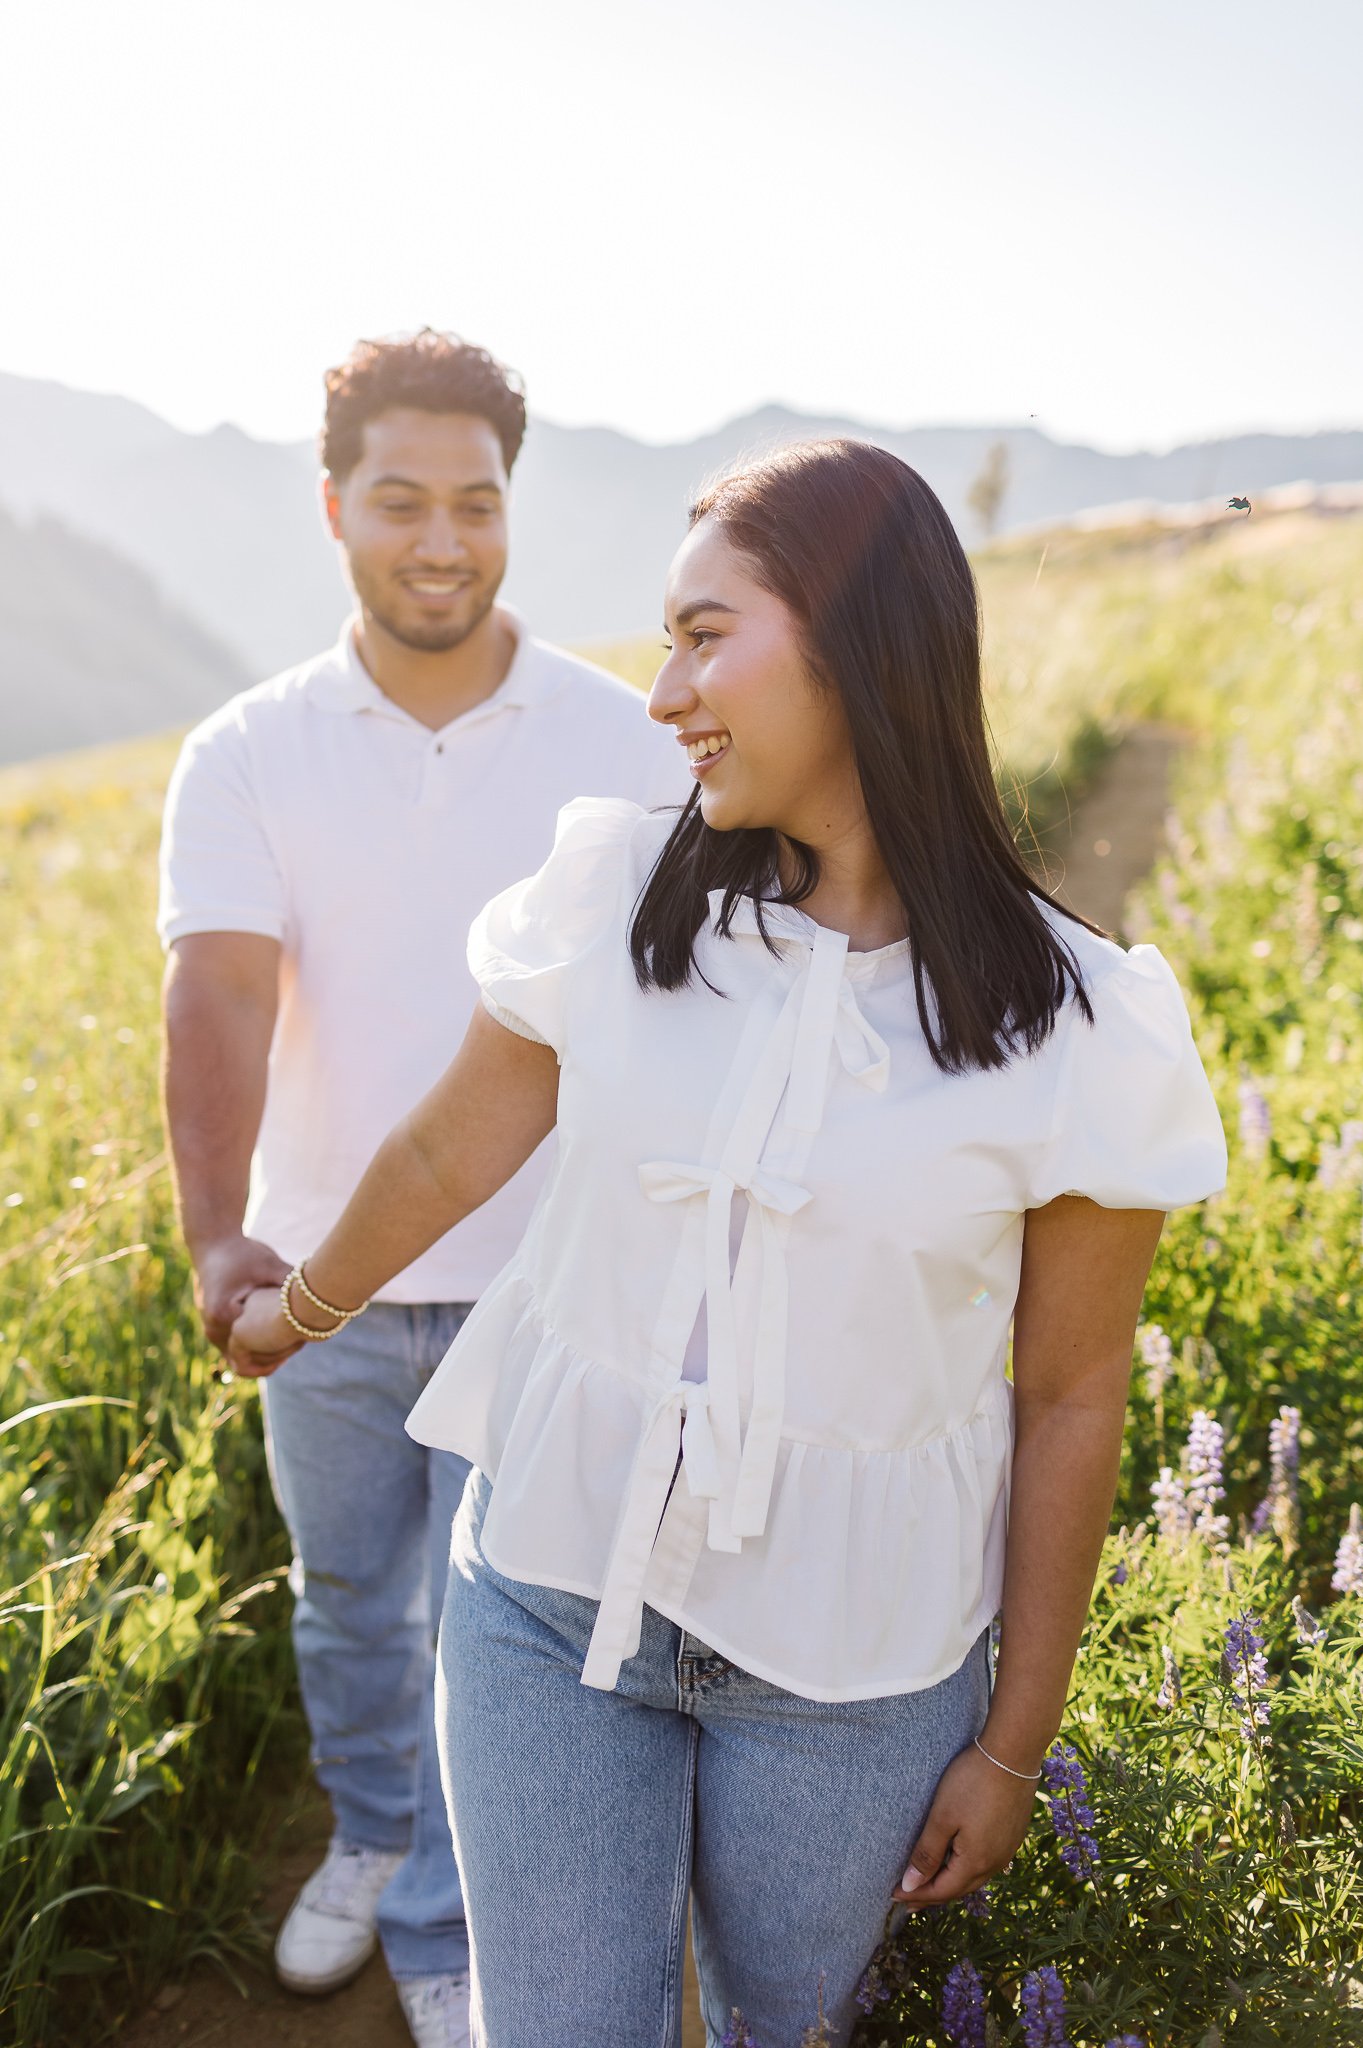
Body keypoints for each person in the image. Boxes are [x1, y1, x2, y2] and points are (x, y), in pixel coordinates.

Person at [227, 438, 1228, 2047]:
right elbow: (446, 1142)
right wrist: (302, 1308)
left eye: (704, 635)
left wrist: (1012, 1741)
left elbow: (1070, 1395)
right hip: (545, 1591)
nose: (661, 689)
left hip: (852, 1672)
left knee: (786, 2028)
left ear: (852, 643)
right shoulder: (616, 892)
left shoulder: (1083, 1026)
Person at [158, 329, 682, 2048]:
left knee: (501, 1632)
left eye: (477, 501)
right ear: (334, 509)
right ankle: (372, 1842)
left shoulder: (625, 741)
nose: (442, 538)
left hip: (551, 1288)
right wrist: (217, 1231)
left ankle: (451, 1915)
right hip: (321, 1283)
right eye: (402, 501)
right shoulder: (247, 748)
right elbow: (222, 993)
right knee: (349, 1601)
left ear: (511, 508)